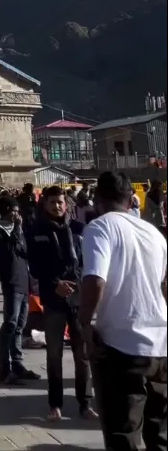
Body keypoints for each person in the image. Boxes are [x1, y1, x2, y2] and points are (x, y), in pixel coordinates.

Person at [79, 171, 167, 451]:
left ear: (97, 200)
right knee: (161, 436)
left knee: (123, 435)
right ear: (132, 200)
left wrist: (84, 323)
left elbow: (95, 279)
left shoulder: (100, 227)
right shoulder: (154, 233)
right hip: (161, 347)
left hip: (123, 347)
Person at [27, 185, 96, 422]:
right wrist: (55, 283)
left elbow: (88, 262)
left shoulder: (79, 229)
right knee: (54, 354)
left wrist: (78, 284)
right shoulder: (36, 231)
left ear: (66, 204)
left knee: (82, 354)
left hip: (78, 299)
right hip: (53, 299)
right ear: (45, 204)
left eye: (60, 202)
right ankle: (55, 403)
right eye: (52, 202)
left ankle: (85, 402)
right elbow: (35, 266)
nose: (57, 206)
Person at [0, 195, 40, 385]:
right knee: (10, 324)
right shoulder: (0, 231)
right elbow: (11, 253)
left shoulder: (18, 230)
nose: (17, 214)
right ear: (7, 211)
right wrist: (18, 230)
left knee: (20, 325)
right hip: (11, 282)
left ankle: (18, 363)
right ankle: (4, 368)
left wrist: (20, 230)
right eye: (14, 211)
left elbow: (25, 251)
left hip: (23, 281)